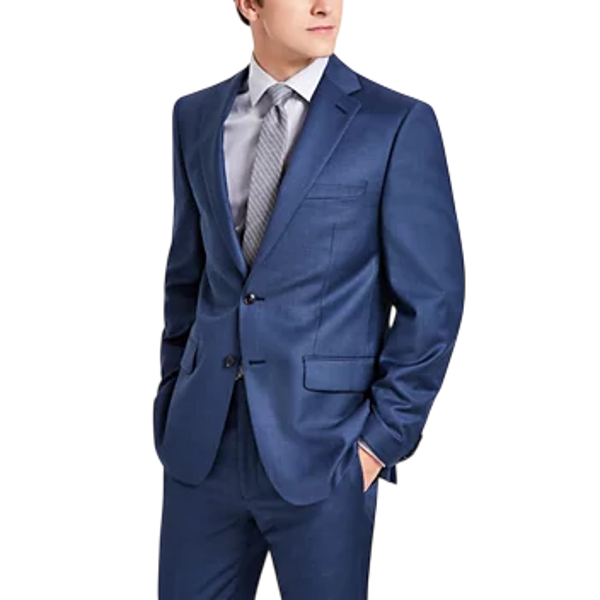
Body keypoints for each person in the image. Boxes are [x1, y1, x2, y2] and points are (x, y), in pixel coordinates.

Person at [152, 0, 465, 597]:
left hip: (328, 454)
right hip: (201, 450)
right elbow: (186, 278)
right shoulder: (195, 116)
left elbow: (434, 301)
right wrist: (173, 395)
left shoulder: (394, 123)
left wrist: (378, 443)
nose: (326, 6)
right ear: (249, 4)